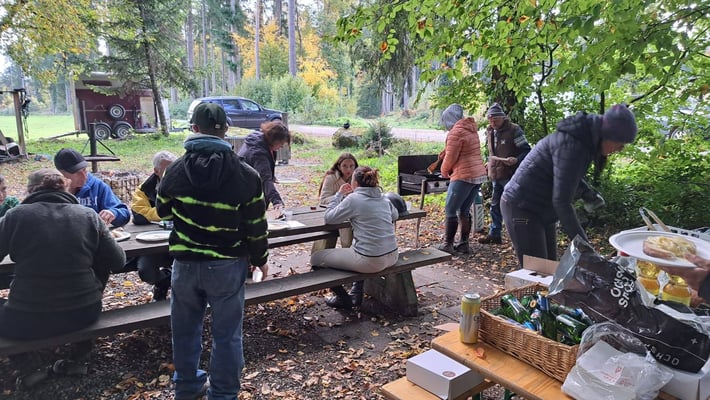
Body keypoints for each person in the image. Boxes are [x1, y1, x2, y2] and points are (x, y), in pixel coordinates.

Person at [157, 103, 269, 400]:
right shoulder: (246, 174)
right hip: (227, 265)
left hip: (185, 264)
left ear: (194, 128)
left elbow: (162, 210)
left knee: (184, 330)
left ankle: (187, 388)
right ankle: (223, 393)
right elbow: (256, 224)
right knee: (227, 334)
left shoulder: (174, 170)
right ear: (226, 130)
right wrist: (260, 259)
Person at [0, 168, 125, 369]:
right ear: (66, 188)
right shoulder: (88, 216)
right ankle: (80, 354)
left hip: (27, 317)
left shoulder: (15, 216)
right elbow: (118, 261)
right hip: (84, 313)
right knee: (100, 264)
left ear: (30, 190)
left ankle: (28, 366)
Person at [501, 104, 638, 266]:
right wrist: (586, 250)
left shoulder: (583, 141)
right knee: (537, 272)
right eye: (620, 143)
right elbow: (562, 202)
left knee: (549, 270)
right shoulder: (572, 145)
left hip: (542, 208)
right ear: (608, 135)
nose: (620, 149)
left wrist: (587, 193)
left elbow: (565, 175)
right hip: (522, 206)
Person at [311, 166, 399, 309]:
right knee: (357, 248)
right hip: (393, 256)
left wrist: (339, 194)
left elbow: (329, 218)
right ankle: (356, 293)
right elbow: (395, 215)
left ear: (355, 183)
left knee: (316, 258)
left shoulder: (354, 199)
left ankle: (344, 299)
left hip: (371, 260)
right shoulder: (384, 198)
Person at [437, 104, 488, 255]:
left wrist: (444, 171)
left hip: (463, 175)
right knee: (464, 210)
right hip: (477, 174)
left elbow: (451, 157)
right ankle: (464, 244)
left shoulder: (456, 132)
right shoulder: (470, 129)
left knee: (450, 209)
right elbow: (466, 151)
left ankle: (448, 244)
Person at [478, 103, 531, 245]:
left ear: (503, 118)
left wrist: (516, 160)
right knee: (495, 205)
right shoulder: (490, 131)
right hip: (496, 175)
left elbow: (527, 151)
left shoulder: (514, 130)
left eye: (495, 120)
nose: (493, 123)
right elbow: (492, 153)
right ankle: (495, 234)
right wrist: (489, 163)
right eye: (490, 120)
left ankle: (522, 237)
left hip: (511, 175)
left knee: (515, 206)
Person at [128, 150, 177, 301]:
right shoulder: (145, 189)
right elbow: (139, 212)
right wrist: (168, 212)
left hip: (181, 240)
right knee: (146, 271)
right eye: (166, 170)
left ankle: (175, 290)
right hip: (151, 243)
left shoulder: (185, 184)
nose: (171, 173)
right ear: (156, 171)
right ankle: (164, 282)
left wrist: (154, 213)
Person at [54, 148, 130, 227]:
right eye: (77, 173)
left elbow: (124, 214)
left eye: (84, 170)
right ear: (61, 174)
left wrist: (114, 213)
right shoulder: (51, 190)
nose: (84, 176)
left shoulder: (97, 186)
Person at [237, 120, 291, 211]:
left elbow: (264, 169)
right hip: (246, 195)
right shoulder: (258, 153)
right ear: (274, 140)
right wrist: (277, 201)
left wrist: (271, 176)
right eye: (281, 143)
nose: (281, 147)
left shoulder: (262, 142)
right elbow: (265, 179)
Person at [312, 153, 359, 251]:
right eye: (344, 166)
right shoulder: (331, 178)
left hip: (350, 213)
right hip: (331, 211)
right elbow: (323, 199)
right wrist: (341, 196)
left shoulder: (357, 178)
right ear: (339, 166)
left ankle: (350, 252)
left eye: (351, 166)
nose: (348, 169)